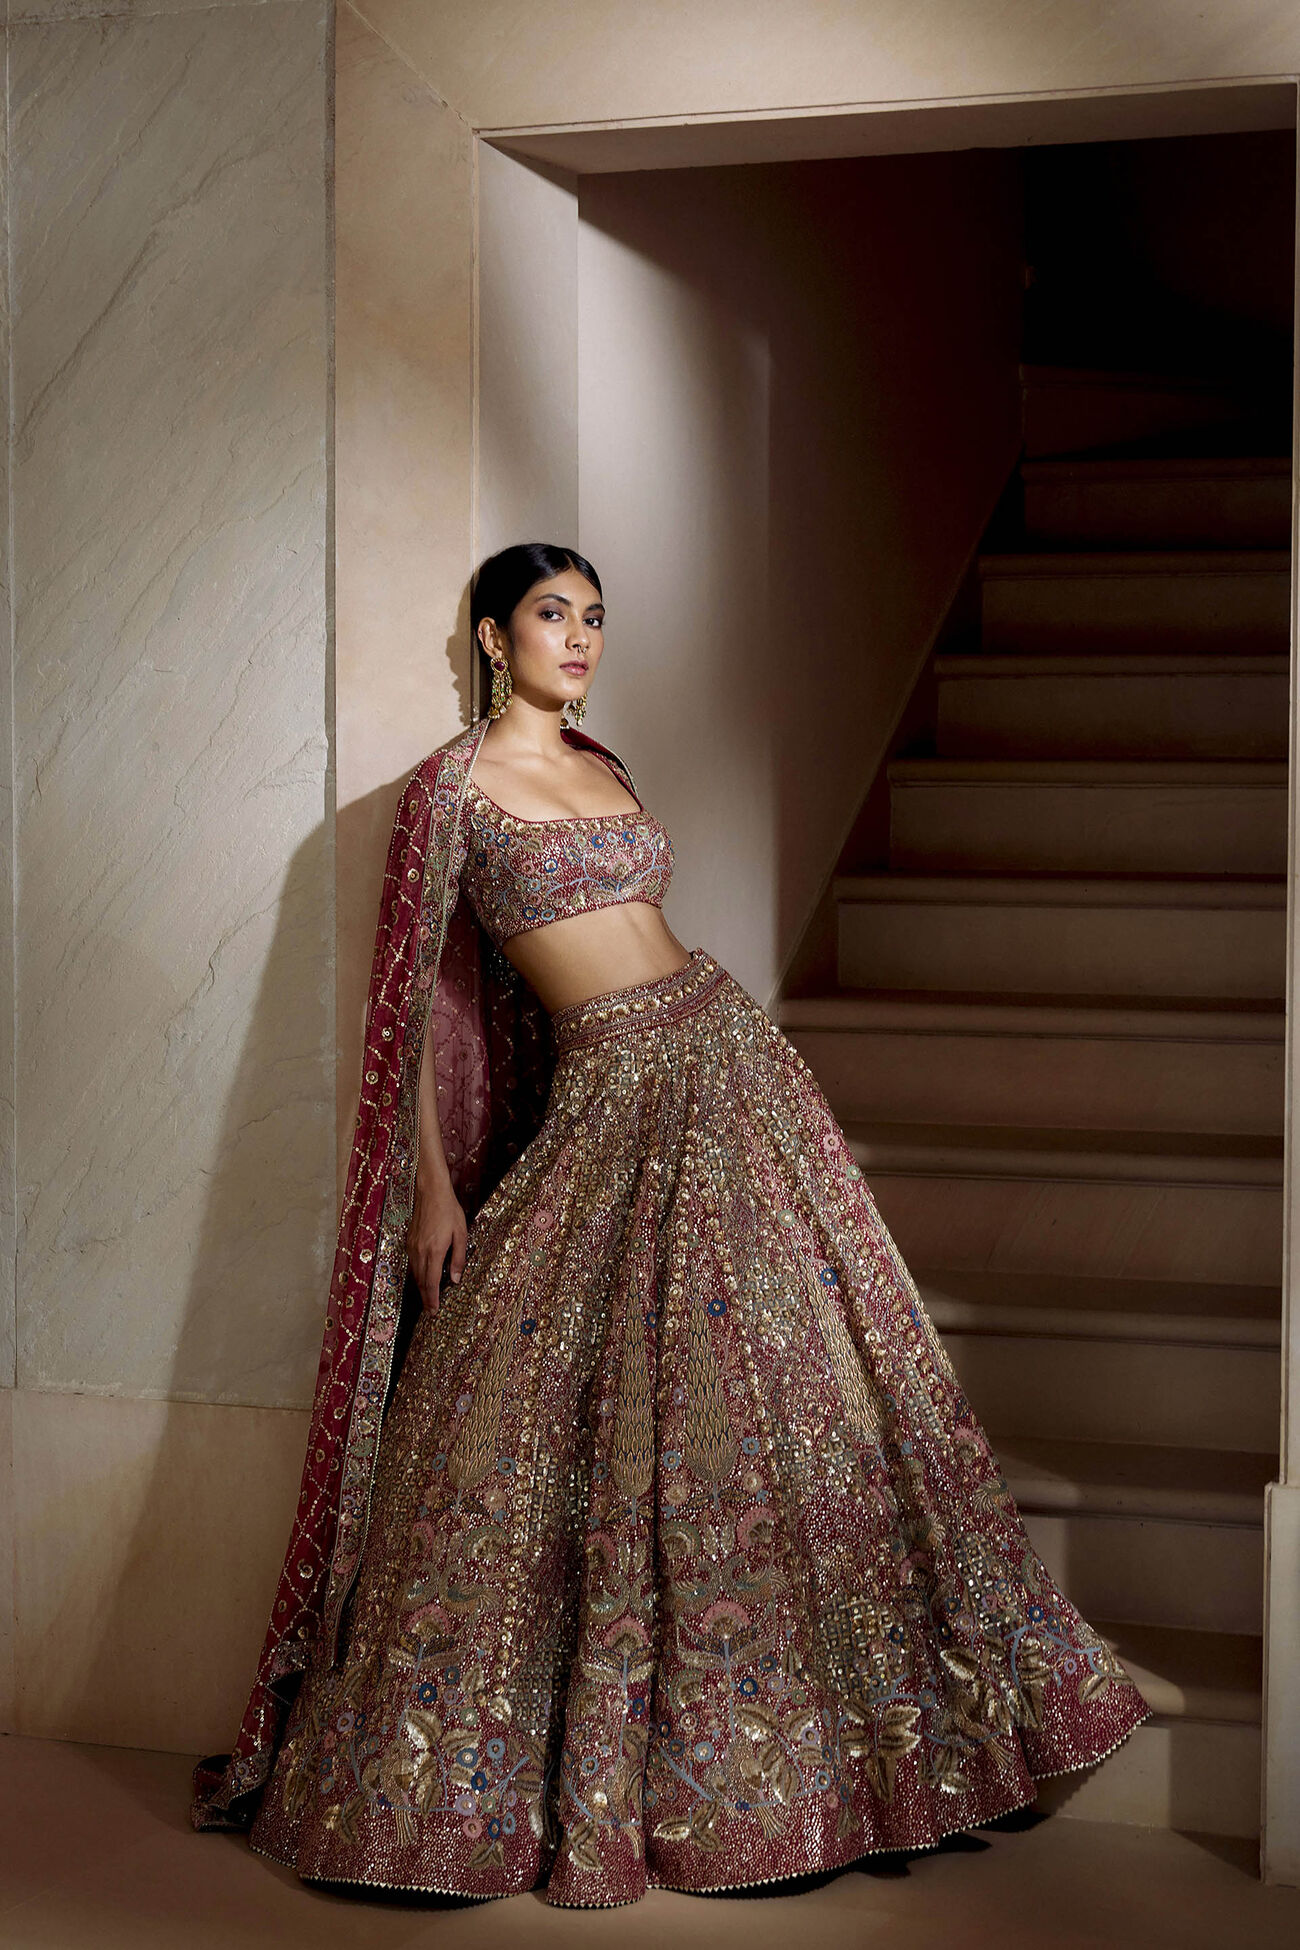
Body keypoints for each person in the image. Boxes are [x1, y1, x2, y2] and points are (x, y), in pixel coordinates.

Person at [192, 542, 1150, 1907]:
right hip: (611, 1090)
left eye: (593, 616)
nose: (580, 637)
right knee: (537, 1406)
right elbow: (408, 1008)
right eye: (552, 614)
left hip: (730, 1064)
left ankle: (880, 1756)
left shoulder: (606, 765)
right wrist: (433, 1187)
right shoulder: (448, 794)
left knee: (804, 1388)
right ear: (491, 635)